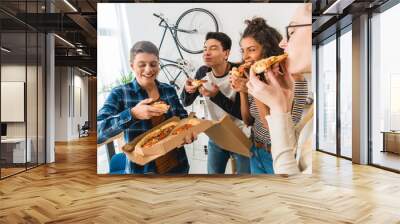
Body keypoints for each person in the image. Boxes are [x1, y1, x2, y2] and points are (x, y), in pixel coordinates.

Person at [215, 17, 308, 174]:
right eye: (243, 50)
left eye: (251, 50)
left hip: (276, 156)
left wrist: (251, 88)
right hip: (255, 151)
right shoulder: (256, 80)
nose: (245, 57)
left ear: (268, 49)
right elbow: (248, 121)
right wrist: (243, 92)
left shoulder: (293, 80)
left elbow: (272, 127)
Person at [97, 41, 196, 174]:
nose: (149, 69)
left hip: (179, 166)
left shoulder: (169, 90)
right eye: (142, 65)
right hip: (143, 171)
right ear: (132, 66)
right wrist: (132, 114)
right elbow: (98, 131)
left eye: (153, 64)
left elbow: (182, 117)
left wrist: (189, 132)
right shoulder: (120, 93)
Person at [246, 4, 313, 174]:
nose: (284, 43)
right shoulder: (283, 82)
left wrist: (273, 104)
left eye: (291, 32)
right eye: (243, 50)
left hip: (271, 155)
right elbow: (290, 139)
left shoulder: (298, 82)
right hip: (256, 150)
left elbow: (289, 182)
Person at [180, 32, 250, 174]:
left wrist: (216, 96)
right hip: (216, 135)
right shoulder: (202, 72)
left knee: (246, 180)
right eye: (205, 49)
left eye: (213, 48)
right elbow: (185, 102)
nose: (207, 53)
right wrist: (188, 90)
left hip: (240, 134)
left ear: (226, 53)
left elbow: (242, 115)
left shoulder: (238, 72)